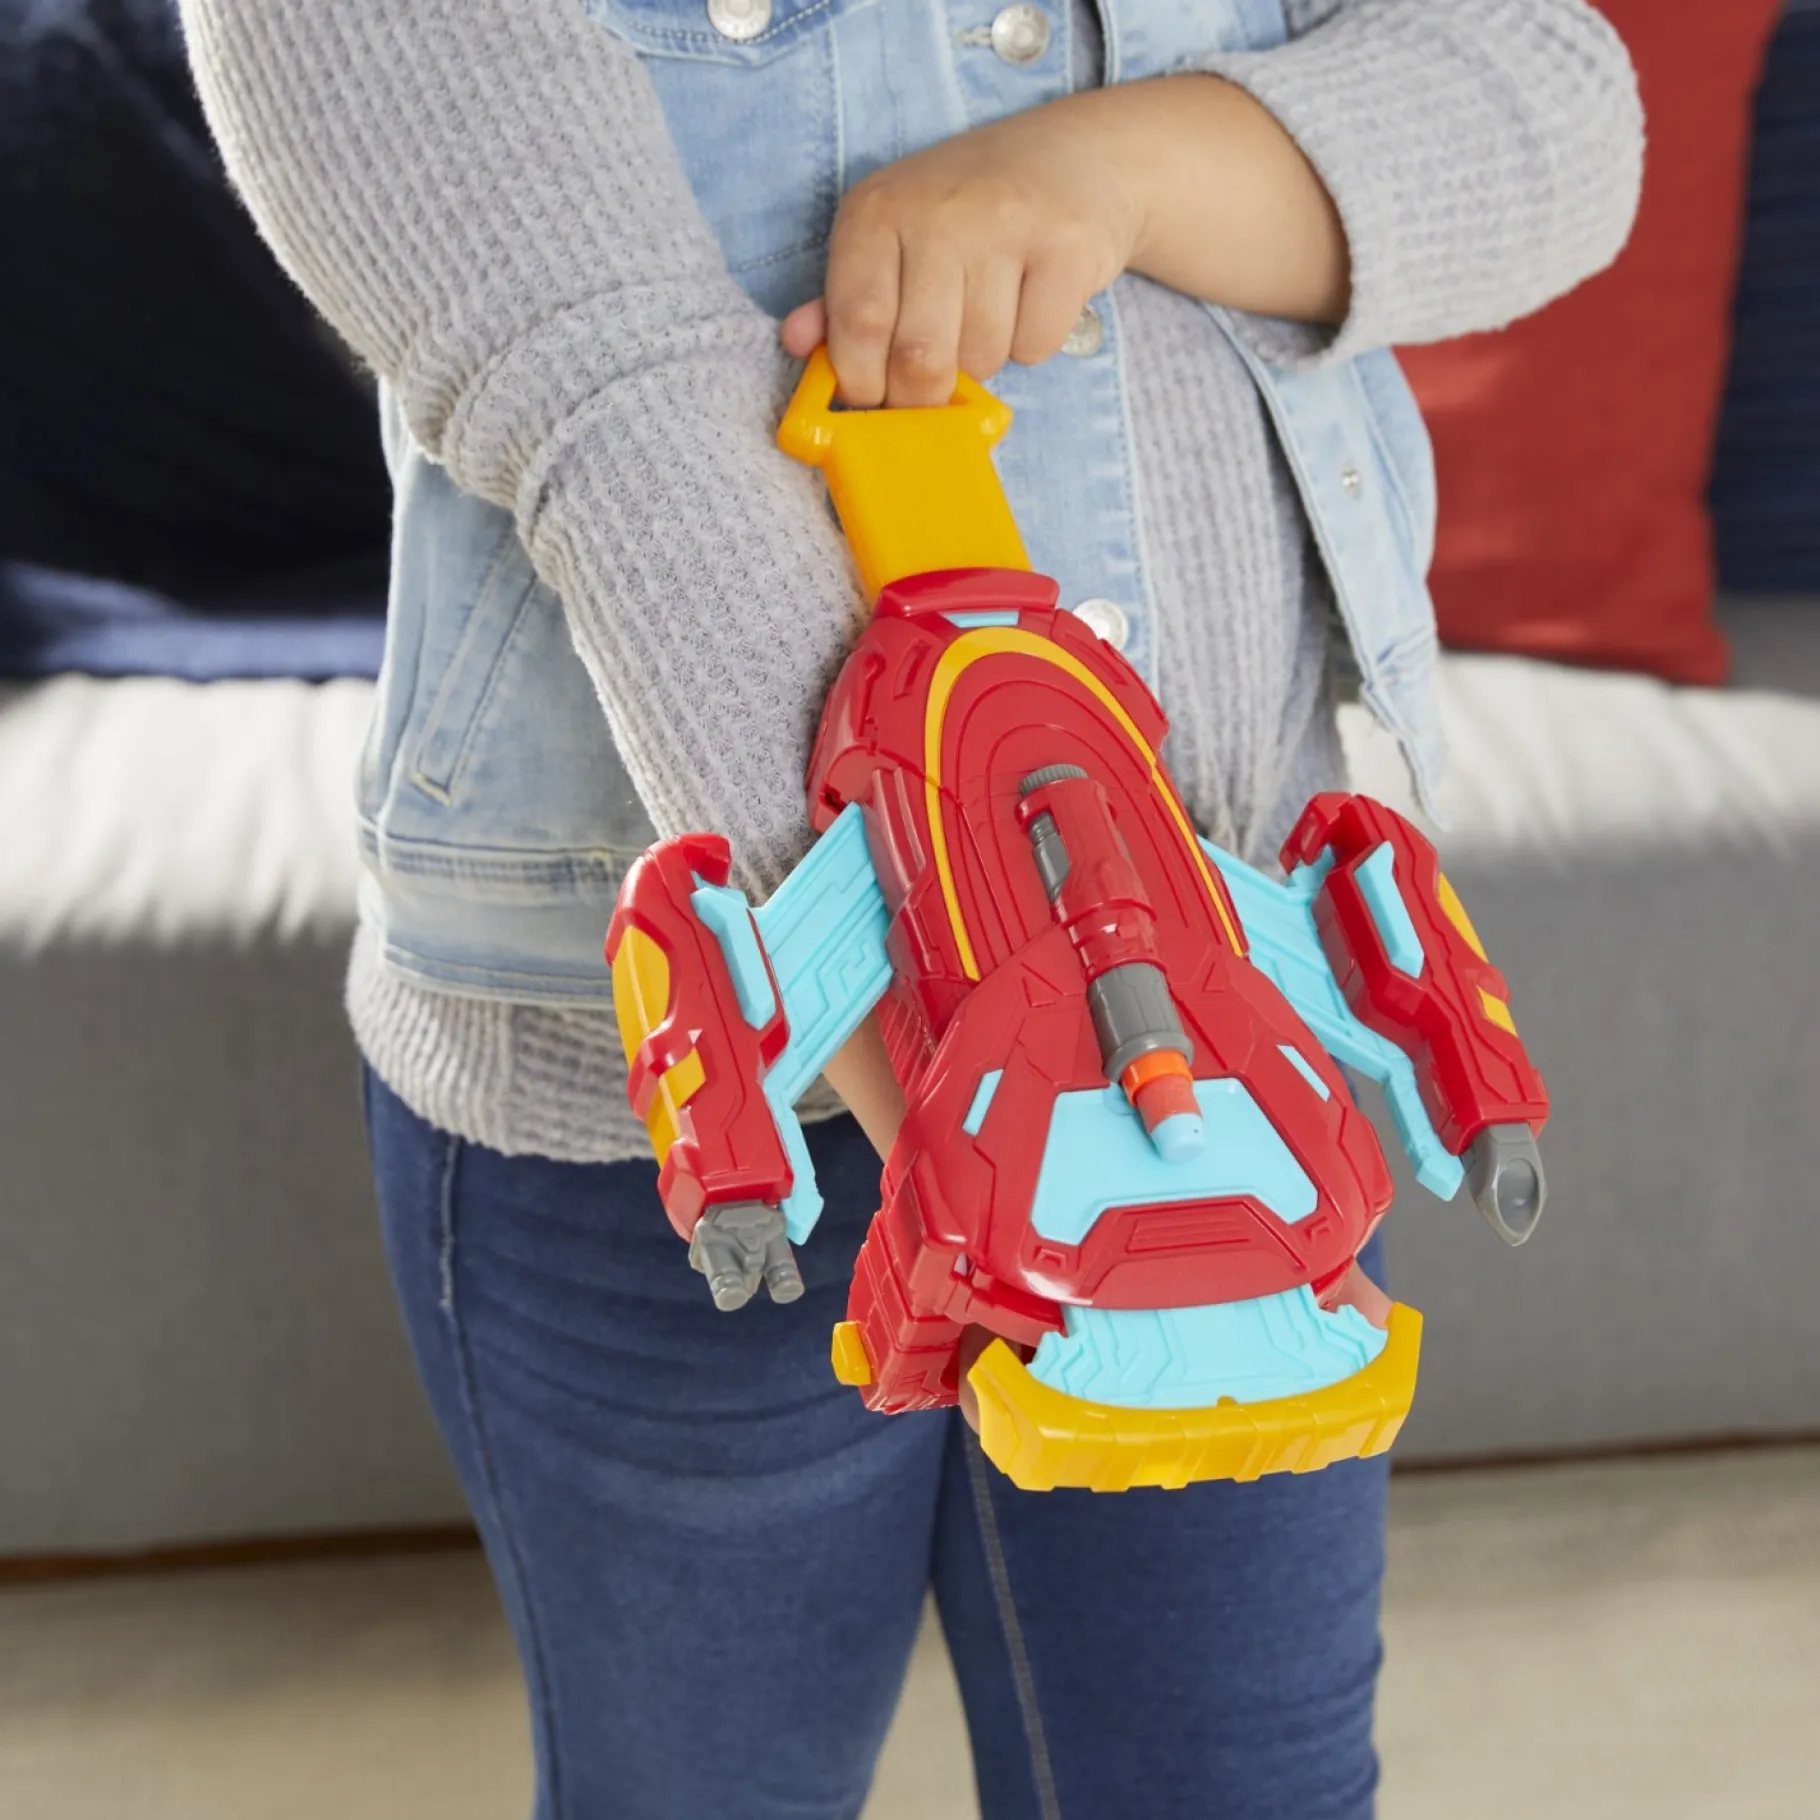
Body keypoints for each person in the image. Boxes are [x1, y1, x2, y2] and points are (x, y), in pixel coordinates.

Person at [179, 3, 1641, 1814]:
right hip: (668, 1121)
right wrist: (1000, 1074)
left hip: (1224, 1068)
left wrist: (1117, 169)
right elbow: (601, 384)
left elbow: (1559, 101)